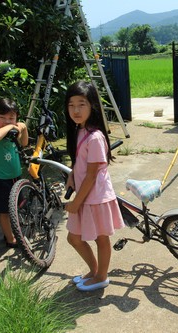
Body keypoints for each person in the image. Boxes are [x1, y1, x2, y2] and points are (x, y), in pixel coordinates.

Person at [64, 81, 124, 292]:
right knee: (74, 238)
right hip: (84, 195)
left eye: (81, 104)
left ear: (92, 106)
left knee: (100, 238)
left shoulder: (96, 137)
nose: (76, 110)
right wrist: (72, 174)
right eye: (71, 105)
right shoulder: (80, 130)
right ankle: (95, 270)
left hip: (95, 197)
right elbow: (81, 163)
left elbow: (91, 176)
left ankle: (101, 276)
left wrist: (74, 204)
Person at [0, 98, 28, 248]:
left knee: (16, 208)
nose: (6, 121)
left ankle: (14, 230)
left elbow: (24, 143)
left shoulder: (13, 135)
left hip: (16, 179)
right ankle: (10, 239)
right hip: (0, 181)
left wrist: (23, 127)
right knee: (4, 212)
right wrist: (13, 125)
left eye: (11, 117)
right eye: (2, 118)